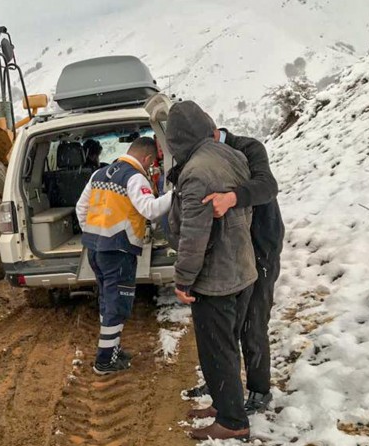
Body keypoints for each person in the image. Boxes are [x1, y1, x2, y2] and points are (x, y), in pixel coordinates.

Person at [166, 101, 256, 441]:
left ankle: (233, 421)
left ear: (176, 139)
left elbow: (194, 235)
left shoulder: (196, 172)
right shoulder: (231, 155)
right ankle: (223, 404)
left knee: (217, 350)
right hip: (241, 266)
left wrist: (183, 279)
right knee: (227, 345)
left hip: (216, 279)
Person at [186, 128, 284, 415]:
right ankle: (222, 384)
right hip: (232, 250)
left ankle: (259, 389)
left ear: (212, 134)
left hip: (260, 245)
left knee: (253, 320)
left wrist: (231, 198)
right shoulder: (203, 158)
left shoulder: (248, 148)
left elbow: (267, 186)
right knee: (225, 323)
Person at [76, 137, 172, 375]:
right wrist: (176, 194)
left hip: (95, 249)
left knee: (107, 300)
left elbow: (81, 208)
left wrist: (93, 234)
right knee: (117, 305)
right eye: (152, 163)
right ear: (147, 159)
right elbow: (150, 209)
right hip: (119, 251)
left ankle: (112, 348)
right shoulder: (135, 177)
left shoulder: (98, 174)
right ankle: (104, 361)